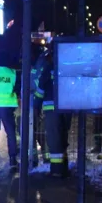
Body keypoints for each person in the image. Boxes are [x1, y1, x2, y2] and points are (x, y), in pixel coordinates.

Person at [34, 45, 70, 176]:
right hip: (66, 108)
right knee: (63, 136)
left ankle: (56, 170)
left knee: (54, 139)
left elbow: (40, 90)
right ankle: (64, 167)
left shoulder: (48, 69)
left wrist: (36, 105)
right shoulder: (67, 68)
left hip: (51, 108)